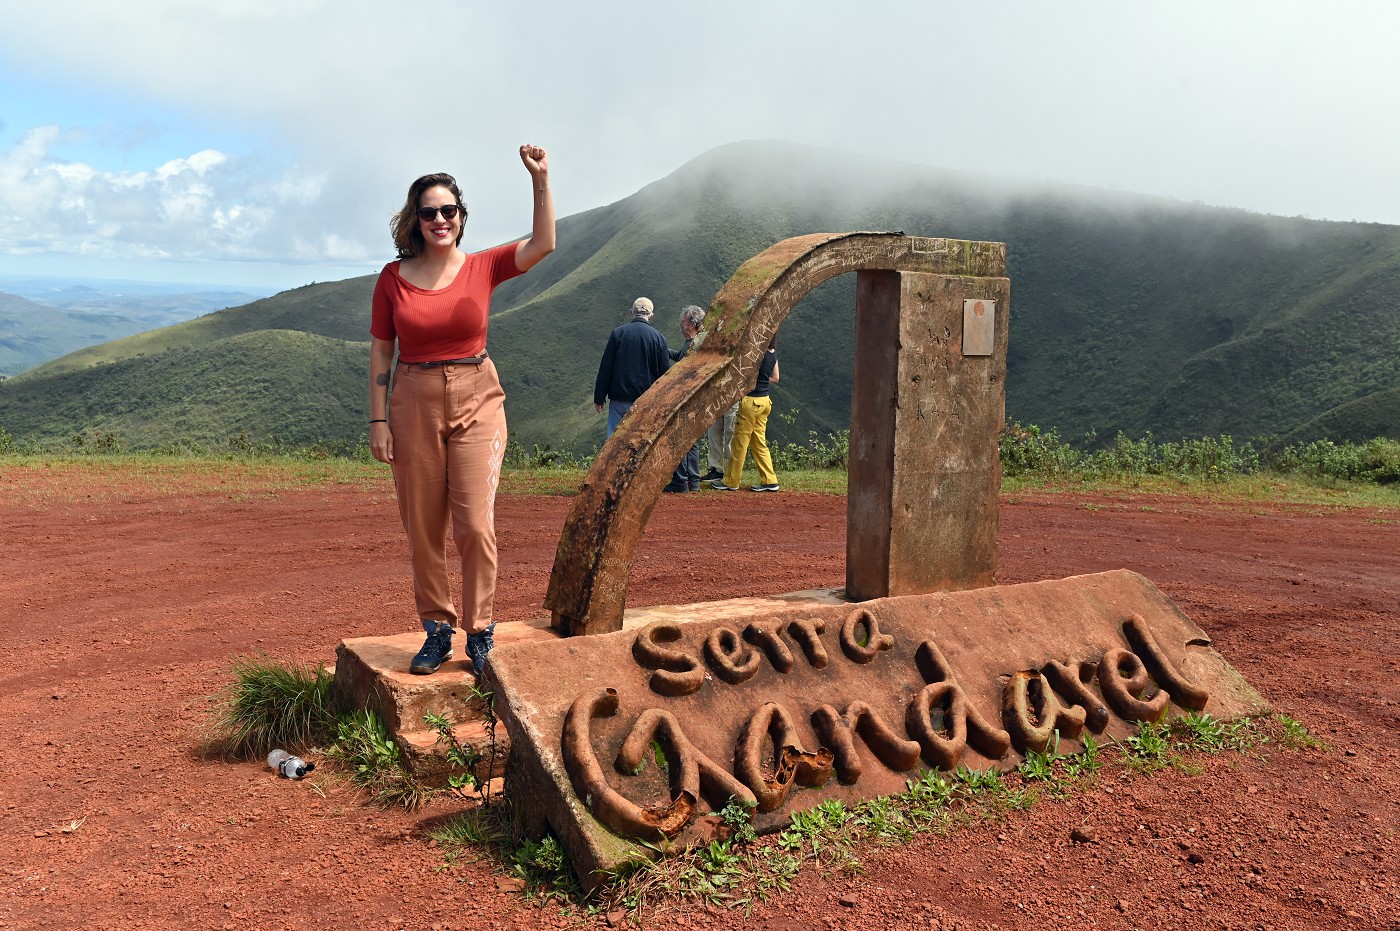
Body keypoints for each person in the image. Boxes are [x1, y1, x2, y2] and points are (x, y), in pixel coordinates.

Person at [367, 145, 555, 677]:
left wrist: (540, 180)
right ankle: (436, 629)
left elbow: (543, 243)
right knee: (423, 527)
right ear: (416, 219)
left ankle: (480, 629)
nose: (440, 220)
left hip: (477, 395)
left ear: (461, 217)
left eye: (449, 211)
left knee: (474, 523)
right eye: (429, 212)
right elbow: (382, 349)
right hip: (412, 400)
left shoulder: (483, 266)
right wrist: (378, 420)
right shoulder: (393, 277)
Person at [711, 335, 780, 492]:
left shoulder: (756, 354)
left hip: (750, 402)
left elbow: (741, 376)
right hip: (765, 401)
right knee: (758, 442)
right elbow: (775, 378)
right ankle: (770, 480)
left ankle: (731, 481)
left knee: (739, 444)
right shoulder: (772, 352)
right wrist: (761, 379)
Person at [593, 297, 671, 437]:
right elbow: (664, 374)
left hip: (619, 400)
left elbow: (606, 368)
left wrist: (599, 397)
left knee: (614, 442)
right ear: (651, 315)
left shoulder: (618, 334)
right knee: (640, 441)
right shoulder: (658, 338)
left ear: (632, 312)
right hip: (645, 401)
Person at [663, 305, 706, 493]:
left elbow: (683, 370)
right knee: (691, 440)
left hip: (686, 398)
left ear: (692, 324)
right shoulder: (693, 343)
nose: (681, 324)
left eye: (684, 321)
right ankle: (693, 481)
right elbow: (680, 359)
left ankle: (681, 482)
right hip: (696, 399)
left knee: (679, 438)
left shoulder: (693, 345)